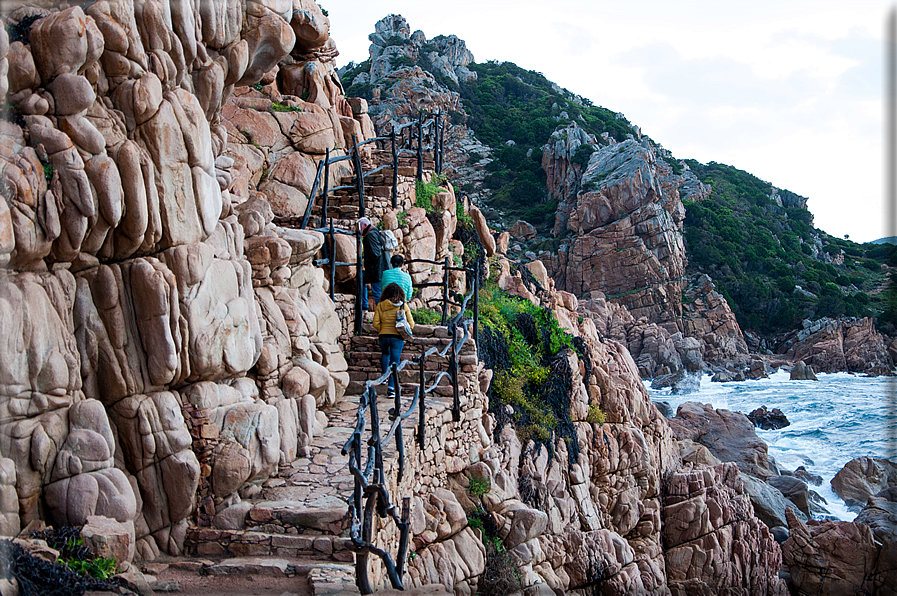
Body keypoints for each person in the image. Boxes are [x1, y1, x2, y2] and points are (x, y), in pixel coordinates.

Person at [372, 283, 415, 397]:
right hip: (397, 337)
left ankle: (384, 377)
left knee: (385, 354)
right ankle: (391, 389)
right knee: (394, 362)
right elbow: (411, 324)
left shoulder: (380, 305)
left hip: (383, 336)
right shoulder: (403, 306)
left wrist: (383, 330)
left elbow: (375, 323)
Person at [358, 217, 391, 310]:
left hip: (376, 270)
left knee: (377, 293)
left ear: (365, 225)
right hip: (378, 269)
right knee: (362, 280)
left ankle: (382, 315)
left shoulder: (371, 235)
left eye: (359, 227)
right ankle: (365, 305)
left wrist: (366, 260)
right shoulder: (375, 232)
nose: (358, 230)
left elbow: (375, 253)